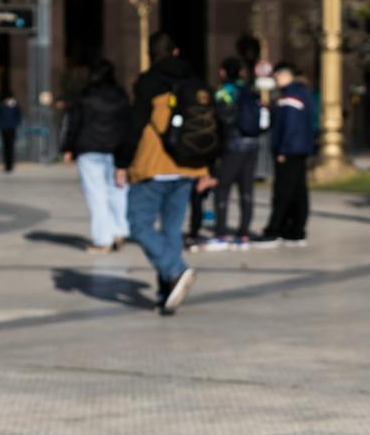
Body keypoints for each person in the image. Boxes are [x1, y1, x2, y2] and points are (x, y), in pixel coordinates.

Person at [126, 32, 212, 313]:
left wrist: (121, 161)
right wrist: (210, 168)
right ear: (175, 52)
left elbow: (135, 124)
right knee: (172, 230)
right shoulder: (194, 81)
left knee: (138, 224)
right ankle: (168, 292)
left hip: (154, 164)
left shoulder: (148, 82)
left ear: (151, 53)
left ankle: (175, 272)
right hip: (187, 164)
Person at [60, 59, 133, 252]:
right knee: (117, 190)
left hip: (89, 148)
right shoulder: (120, 95)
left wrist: (68, 148)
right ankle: (119, 230)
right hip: (115, 149)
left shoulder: (85, 95)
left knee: (96, 194)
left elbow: (74, 122)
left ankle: (103, 239)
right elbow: (128, 124)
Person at [209, 57, 265, 249]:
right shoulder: (250, 90)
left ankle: (221, 232)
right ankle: (244, 233)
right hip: (253, 144)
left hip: (232, 144)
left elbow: (219, 119)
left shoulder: (224, 91)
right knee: (246, 189)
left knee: (222, 189)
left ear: (224, 72)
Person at [261, 62, 315, 247]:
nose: (275, 81)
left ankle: (275, 229)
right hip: (300, 150)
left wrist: (283, 150)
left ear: (284, 75)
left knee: (283, 192)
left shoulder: (290, 96)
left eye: (276, 77)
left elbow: (290, 126)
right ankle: (296, 231)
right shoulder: (303, 93)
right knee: (298, 191)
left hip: (289, 151)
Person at [0, 95, 22, 173]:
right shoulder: (1, 106)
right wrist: (0, 126)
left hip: (12, 129)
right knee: (5, 147)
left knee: (11, 147)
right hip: (4, 129)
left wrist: (16, 124)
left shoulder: (14, 106)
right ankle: (7, 165)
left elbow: (18, 116)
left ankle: (10, 165)